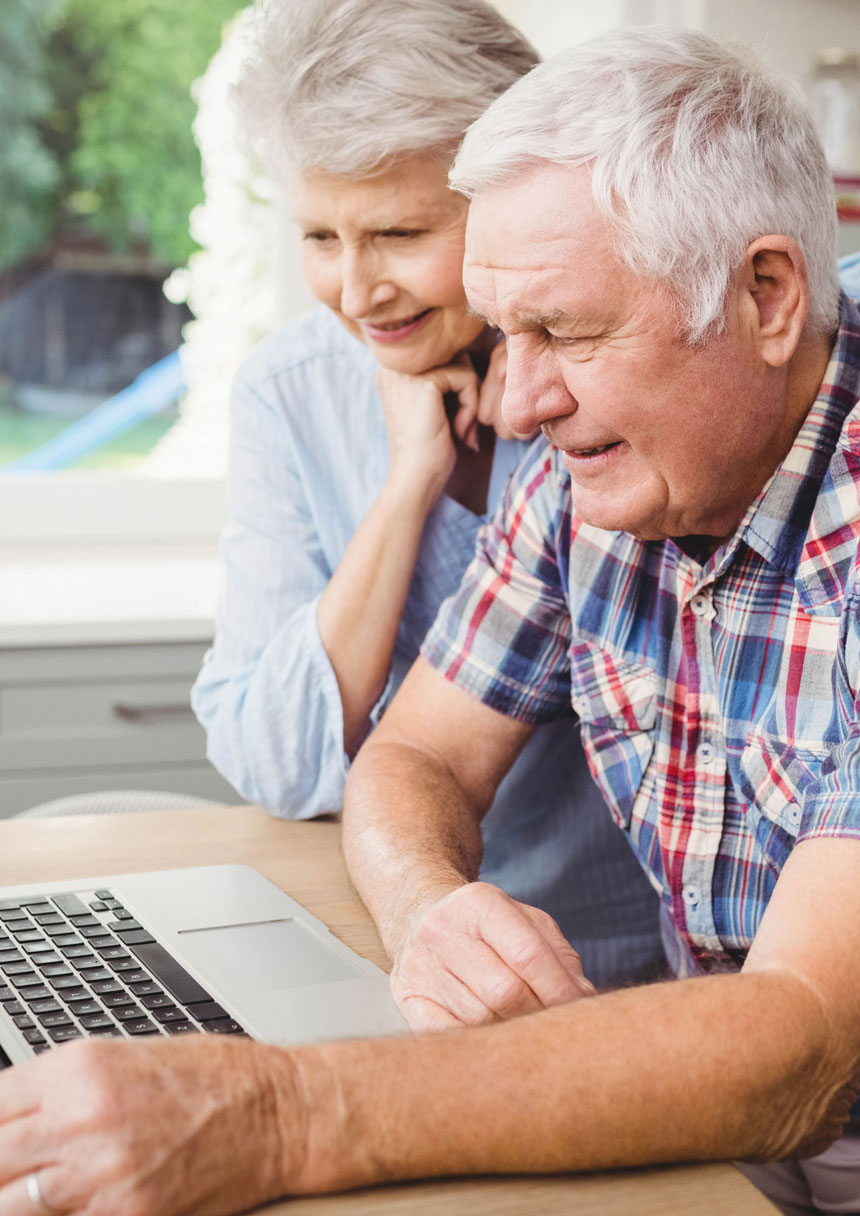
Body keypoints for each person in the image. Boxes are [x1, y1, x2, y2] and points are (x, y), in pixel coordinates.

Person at [4, 25, 860, 1216]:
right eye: (504, 333)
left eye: (563, 329)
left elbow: (800, 1044)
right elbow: (409, 753)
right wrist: (430, 909)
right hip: (707, 1136)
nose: (518, 397)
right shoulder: (595, 464)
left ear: (765, 296)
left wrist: (280, 1111)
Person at [190, 0, 665, 989]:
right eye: (320, 236)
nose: (358, 293)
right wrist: (405, 486)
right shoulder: (295, 392)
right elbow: (279, 763)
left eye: (399, 232)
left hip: (636, 968)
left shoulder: (626, 379)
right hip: (400, 938)